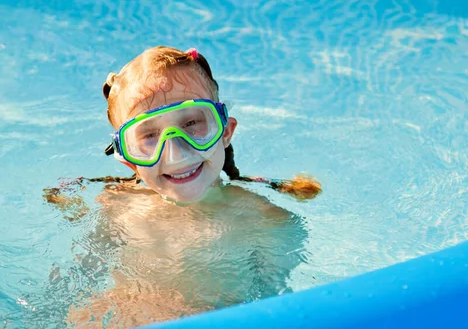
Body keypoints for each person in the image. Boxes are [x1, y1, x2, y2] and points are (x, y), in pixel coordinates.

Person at [45, 46, 321, 327]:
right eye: (150, 135)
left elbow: (282, 310)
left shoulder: (265, 221)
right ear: (129, 159)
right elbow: (76, 285)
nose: (176, 153)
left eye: (191, 123)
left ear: (225, 131)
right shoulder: (118, 208)